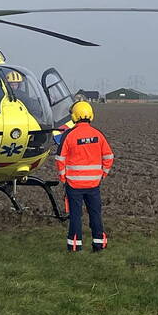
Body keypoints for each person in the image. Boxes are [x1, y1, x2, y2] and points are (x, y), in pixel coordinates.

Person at [55, 101, 114, 252]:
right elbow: (109, 156)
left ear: (74, 116)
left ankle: (75, 246)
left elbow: (60, 159)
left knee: (75, 216)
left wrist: (63, 178)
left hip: (74, 185)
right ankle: (99, 244)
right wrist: (102, 175)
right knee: (95, 214)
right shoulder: (97, 134)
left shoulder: (69, 135)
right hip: (94, 185)